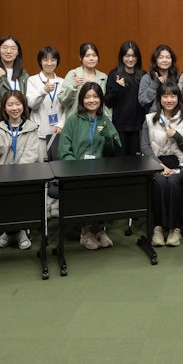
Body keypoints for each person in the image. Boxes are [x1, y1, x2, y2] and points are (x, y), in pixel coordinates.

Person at [59, 82, 122, 249]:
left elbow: (116, 150)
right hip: (77, 170)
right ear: (82, 100)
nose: (92, 100)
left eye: (95, 97)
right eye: (87, 97)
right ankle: (85, 232)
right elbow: (64, 150)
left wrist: (109, 136)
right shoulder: (73, 120)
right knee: (85, 188)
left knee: (104, 187)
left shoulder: (105, 120)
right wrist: (77, 168)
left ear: (101, 100)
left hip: (100, 169)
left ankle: (100, 229)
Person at [0, 90, 42, 250]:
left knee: (21, 193)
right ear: (4, 107)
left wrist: (16, 174)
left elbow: (31, 155)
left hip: (23, 175)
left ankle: (18, 231)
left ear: (23, 106)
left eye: (18, 104)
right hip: (1, 175)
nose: (14, 108)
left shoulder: (32, 127)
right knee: (4, 196)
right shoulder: (0, 127)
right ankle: (11, 231)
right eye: (10, 104)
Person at [140, 82, 183, 248]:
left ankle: (173, 228)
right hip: (156, 163)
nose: (169, 99)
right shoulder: (150, 119)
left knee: (174, 182)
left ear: (178, 98)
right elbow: (144, 147)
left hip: (179, 164)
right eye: (165, 96)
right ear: (159, 98)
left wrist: (176, 135)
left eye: (173, 96)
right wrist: (159, 166)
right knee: (160, 182)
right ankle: (157, 228)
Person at [104, 41, 147, 156]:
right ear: (122, 57)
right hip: (119, 126)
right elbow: (108, 102)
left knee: (136, 162)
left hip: (138, 127)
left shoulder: (143, 75)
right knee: (120, 162)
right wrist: (117, 88)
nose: (130, 59)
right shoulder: (114, 74)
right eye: (127, 56)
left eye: (133, 56)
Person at [26, 46, 66, 145]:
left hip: (58, 132)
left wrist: (61, 125)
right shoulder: (32, 80)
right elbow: (31, 104)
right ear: (40, 61)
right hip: (38, 134)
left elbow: (67, 107)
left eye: (53, 60)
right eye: (45, 60)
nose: (49, 63)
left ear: (57, 62)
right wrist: (44, 91)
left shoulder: (62, 82)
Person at [59, 43, 110, 117]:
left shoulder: (103, 77)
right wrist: (74, 86)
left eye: (94, 55)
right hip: (76, 121)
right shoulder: (73, 74)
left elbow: (106, 104)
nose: (91, 58)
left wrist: (107, 120)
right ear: (80, 58)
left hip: (97, 121)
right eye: (87, 56)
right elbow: (63, 101)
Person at [138, 44, 178, 111]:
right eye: (161, 57)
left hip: (174, 118)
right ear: (155, 60)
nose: (164, 60)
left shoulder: (178, 77)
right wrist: (155, 84)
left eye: (168, 57)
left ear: (172, 60)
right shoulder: (147, 78)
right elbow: (142, 101)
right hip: (153, 118)